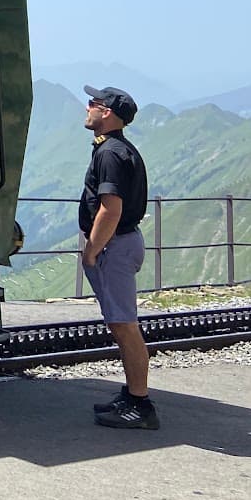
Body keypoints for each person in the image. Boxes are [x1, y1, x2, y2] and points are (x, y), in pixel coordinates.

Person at [79, 85, 157, 430]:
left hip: (116, 246)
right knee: (120, 323)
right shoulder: (117, 148)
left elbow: (111, 210)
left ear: (107, 113)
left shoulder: (109, 153)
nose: (87, 107)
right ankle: (131, 395)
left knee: (125, 326)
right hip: (122, 244)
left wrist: (93, 249)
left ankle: (140, 405)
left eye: (93, 104)